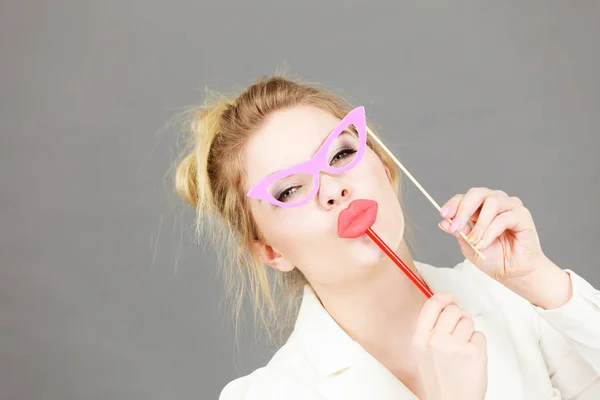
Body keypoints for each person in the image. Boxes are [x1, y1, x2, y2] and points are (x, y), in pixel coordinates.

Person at [173, 75, 600, 399]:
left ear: (387, 171)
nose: (333, 187)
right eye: (289, 190)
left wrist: (542, 282)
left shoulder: (512, 298)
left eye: (341, 153)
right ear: (270, 250)